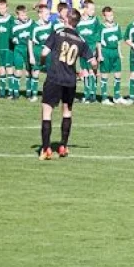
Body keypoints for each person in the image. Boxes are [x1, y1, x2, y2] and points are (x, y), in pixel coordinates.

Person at [38, 9, 95, 161]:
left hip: (54, 77)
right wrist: (92, 72)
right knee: (67, 112)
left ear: (67, 20)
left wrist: (42, 63)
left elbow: (44, 53)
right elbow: (93, 62)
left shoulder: (57, 33)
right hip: (70, 81)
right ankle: (63, 145)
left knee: (46, 112)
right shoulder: (81, 40)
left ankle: (46, 149)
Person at [98, 6, 128, 105]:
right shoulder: (101, 27)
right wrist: (100, 54)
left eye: (111, 15)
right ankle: (104, 97)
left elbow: (119, 41)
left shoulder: (117, 26)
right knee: (105, 74)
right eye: (108, 15)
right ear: (104, 16)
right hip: (106, 52)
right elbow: (98, 42)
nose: (111, 17)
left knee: (118, 73)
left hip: (115, 52)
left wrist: (120, 53)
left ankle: (117, 96)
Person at [75, 0, 103, 103]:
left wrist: (97, 51)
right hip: (82, 50)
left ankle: (93, 95)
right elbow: (76, 36)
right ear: (85, 9)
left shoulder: (95, 20)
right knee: (85, 71)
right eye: (91, 9)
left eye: (94, 9)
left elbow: (98, 36)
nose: (93, 11)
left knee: (92, 71)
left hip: (92, 49)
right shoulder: (78, 21)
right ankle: (86, 95)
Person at [29, 5, 54, 102]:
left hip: (48, 52)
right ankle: (34, 94)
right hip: (38, 51)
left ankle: (48, 94)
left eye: (49, 14)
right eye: (46, 14)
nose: (49, 16)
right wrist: (31, 55)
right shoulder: (34, 26)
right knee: (35, 72)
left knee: (50, 74)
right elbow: (30, 41)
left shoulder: (51, 25)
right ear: (40, 14)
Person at [10, 5, 35, 99]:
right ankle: (15, 93)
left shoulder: (32, 23)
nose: (24, 16)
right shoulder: (14, 26)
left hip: (29, 50)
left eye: (25, 14)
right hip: (18, 50)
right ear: (17, 15)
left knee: (29, 71)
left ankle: (29, 93)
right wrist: (14, 39)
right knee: (18, 70)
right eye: (22, 15)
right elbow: (11, 36)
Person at [0, 0, 15, 98]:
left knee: (9, 69)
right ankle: (2, 92)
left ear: (7, 8)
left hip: (9, 48)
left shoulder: (11, 19)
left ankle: (11, 91)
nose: (2, 10)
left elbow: (14, 31)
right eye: (0, 8)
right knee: (1, 69)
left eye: (3, 7)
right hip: (0, 48)